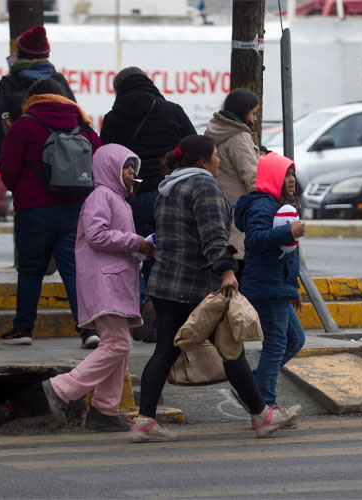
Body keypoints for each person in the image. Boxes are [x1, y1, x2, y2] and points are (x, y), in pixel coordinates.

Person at [130, 135, 297, 443]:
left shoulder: (169, 188)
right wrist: (228, 273)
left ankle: (145, 421)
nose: (220, 161)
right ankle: (262, 417)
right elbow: (213, 238)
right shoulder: (204, 186)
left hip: (165, 285)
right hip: (195, 287)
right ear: (203, 161)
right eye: (217, 156)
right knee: (232, 350)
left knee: (165, 351)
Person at [42, 143, 154, 431]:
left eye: (133, 167)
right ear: (110, 168)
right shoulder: (101, 196)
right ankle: (63, 388)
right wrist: (134, 242)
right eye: (127, 167)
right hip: (105, 283)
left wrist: (140, 247)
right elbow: (96, 234)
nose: (132, 172)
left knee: (118, 346)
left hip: (115, 282)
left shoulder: (118, 200)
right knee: (118, 344)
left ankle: (104, 410)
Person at [0, 77, 102, 347]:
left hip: (34, 210)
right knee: (74, 270)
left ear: (32, 100)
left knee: (31, 270)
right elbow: (99, 164)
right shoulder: (84, 126)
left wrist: (22, 192)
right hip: (75, 209)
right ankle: (88, 329)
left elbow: (7, 169)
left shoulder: (24, 125)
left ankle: (23, 329)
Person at [100, 67, 197, 343]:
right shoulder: (173, 111)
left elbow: (106, 157)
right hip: (170, 196)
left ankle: (143, 301)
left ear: (119, 89)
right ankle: (161, 323)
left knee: (132, 253)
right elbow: (191, 147)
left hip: (132, 198)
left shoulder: (113, 118)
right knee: (163, 258)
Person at [234, 152, 306, 408]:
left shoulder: (277, 204)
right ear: (273, 176)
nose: (291, 180)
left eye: (292, 174)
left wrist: (293, 287)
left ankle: (251, 388)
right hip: (266, 286)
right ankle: (265, 403)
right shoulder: (262, 205)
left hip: (278, 285)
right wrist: (289, 231)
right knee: (276, 343)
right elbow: (254, 239)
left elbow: (287, 255)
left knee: (295, 340)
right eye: (285, 174)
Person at [0, 25, 75, 159]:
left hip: (21, 157)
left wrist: (0, 157)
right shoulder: (58, 80)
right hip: (58, 160)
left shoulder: (9, 82)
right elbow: (76, 119)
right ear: (46, 55)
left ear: (20, 53)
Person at [204, 88, 260, 278]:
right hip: (240, 216)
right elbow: (252, 177)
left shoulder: (214, 131)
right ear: (243, 111)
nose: (254, 119)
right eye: (253, 113)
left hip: (220, 210)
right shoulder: (238, 136)